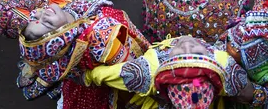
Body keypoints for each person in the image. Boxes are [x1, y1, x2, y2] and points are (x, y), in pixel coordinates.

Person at [17, 0, 150, 107]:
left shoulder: (70, 9)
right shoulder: (99, 38)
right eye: (47, 23)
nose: (43, 14)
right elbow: (131, 69)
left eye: (36, 18)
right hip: (112, 75)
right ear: (61, 38)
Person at [83, 35, 253, 108]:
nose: (186, 43)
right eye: (196, 55)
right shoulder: (224, 66)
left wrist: (88, 76)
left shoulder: (148, 71)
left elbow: (105, 74)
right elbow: (248, 94)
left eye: (180, 55)